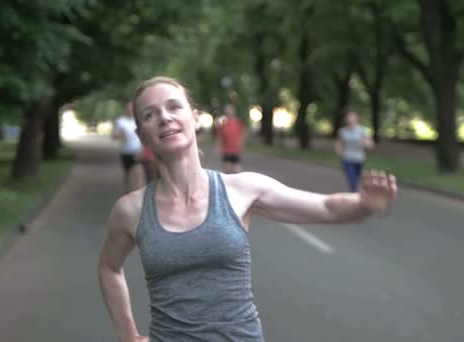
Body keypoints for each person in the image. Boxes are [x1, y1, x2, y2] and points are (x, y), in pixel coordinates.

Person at [97, 76, 397, 342]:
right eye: (150, 114)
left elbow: (326, 207)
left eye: (174, 107)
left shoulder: (241, 189)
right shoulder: (131, 210)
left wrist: (362, 205)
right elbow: (109, 268)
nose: (165, 117)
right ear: (141, 134)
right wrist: (128, 336)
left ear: (195, 118)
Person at [335, 109, 375, 192]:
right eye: (349, 117)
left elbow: (370, 144)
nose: (351, 119)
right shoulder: (343, 131)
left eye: (353, 117)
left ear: (357, 118)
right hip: (347, 159)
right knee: (353, 182)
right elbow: (339, 144)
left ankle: (354, 195)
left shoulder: (362, 130)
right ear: (346, 119)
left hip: (359, 159)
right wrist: (339, 152)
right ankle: (356, 198)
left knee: (356, 181)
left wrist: (365, 142)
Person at [112, 101, 146, 194]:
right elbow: (114, 136)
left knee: (139, 173)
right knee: (127, 175)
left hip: (137, 151)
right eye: (128, 107)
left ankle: (139, 196)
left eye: (132, 108)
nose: (130, 109)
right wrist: (120, 135)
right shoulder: (120, 121)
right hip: (125, 152)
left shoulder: (139, 121)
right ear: (125, 109)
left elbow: (144, 136)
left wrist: (143, 149)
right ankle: (127, 195)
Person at [216, 103, 245, 173]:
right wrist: (218, 147)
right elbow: (220, 137)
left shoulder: (238, 123)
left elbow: (242, 134)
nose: (229, 112)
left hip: (235, 149)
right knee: (227, 170)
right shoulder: (223, 124)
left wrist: (241, 143)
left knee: (237, 170)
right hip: (226, 150)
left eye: (230, 111)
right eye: (227, 111)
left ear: (233, 112)